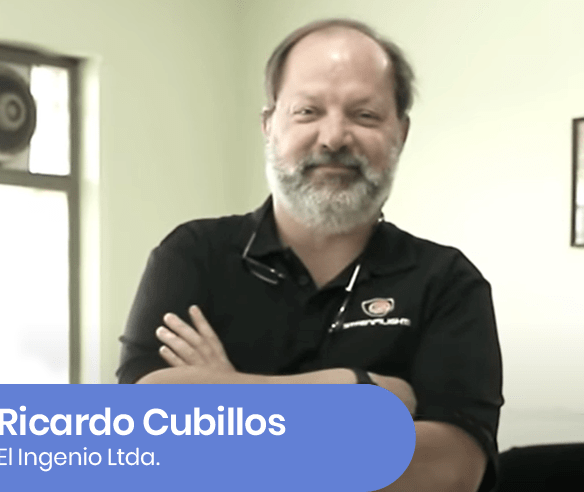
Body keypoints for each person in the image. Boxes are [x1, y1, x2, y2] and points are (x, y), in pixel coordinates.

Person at [117, 18, 503, 492]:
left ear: (400, 133)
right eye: (307, 111)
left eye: (364, 115)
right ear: (269, 126)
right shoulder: (193, 255)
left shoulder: (448, 282)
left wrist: (226, 399)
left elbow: (449, 472)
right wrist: (357, 389)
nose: (334, 137)